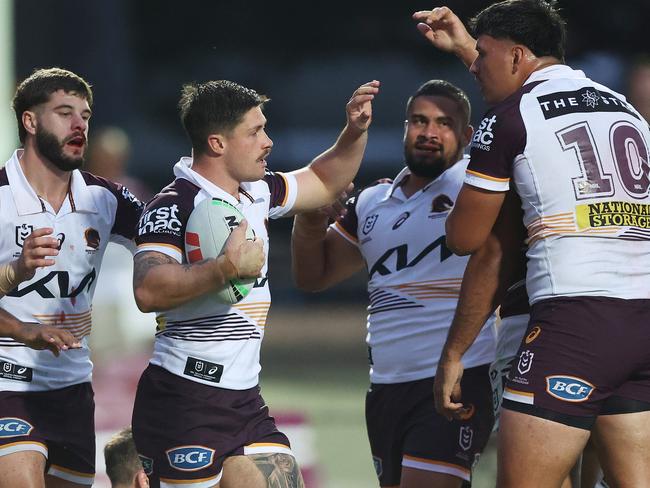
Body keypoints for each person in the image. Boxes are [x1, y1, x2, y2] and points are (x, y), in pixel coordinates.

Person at [413, 1, 650, 487]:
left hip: (576, 321)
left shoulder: (508, 118)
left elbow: (468, 241)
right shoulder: (624, 107)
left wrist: (453, 352)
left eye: (482, 56)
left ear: (517, 56)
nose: (475, 67)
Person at [130, 78, 380, 488]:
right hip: (182, 400)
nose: (268, 141)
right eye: (255, 131)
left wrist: (354, 131)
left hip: (245, 401)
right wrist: (223, 269)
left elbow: (324, 179)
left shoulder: (257, 193)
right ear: (217, 144)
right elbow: (147, 289)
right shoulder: (172, 204)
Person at [291, 80, 496, 488]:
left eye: (444, 124)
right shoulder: (372, 202)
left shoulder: (476, 191)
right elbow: (312, 276)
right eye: (419, 121)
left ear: (468, 136)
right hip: (385, 386)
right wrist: (311, 220)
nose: (429, 133)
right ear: (405, 127)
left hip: (457, 376)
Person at [0, 68, 144, 487]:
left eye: (85, 114)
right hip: (7, 385)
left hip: (72, 390)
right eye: (64, 112)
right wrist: (16, 288)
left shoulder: (106, 198)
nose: (80, 123)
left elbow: (166, 248)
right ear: (30, 121)